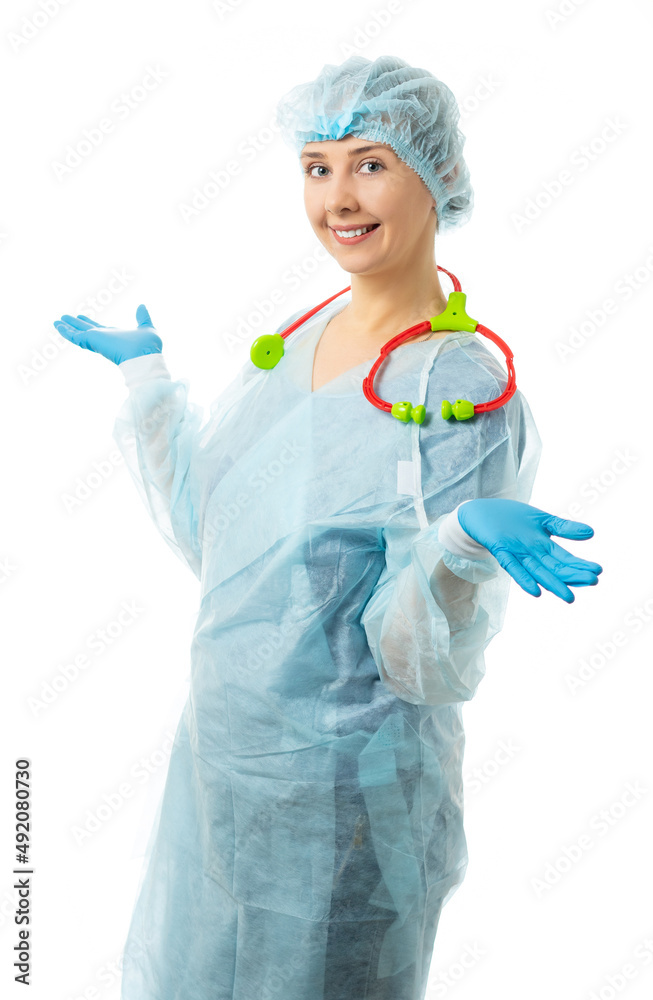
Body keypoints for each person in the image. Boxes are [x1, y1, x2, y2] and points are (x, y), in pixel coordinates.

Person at [53, 54, 602, 1000]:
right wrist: (146, 380)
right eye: (316, 167)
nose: (338, 198)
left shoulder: (456, 390)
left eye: (370, 163)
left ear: (438, 175)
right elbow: (219, 539)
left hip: (344, 807)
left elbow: (415, 663)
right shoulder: (297, 343)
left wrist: (457, 543)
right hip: (220, 767)